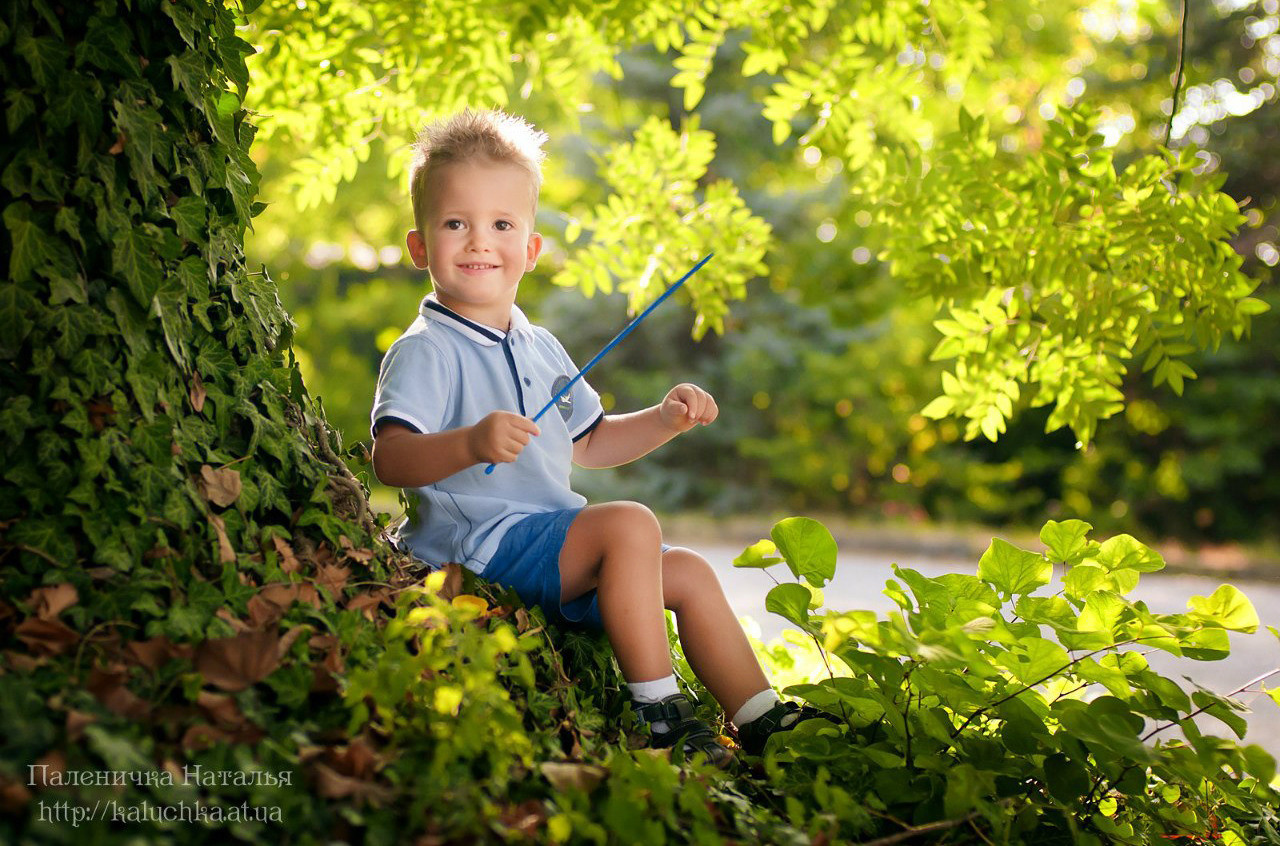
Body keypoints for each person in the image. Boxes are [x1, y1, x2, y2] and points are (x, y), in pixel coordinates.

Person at [370, 108, 827, 765]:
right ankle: (663, 721)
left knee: (691, 574)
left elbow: (591, 443)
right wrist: (469, 443)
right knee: (630, 525)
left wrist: (663, 419)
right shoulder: (426, 350)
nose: (479, 242)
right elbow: (391, 457)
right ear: (420, 247)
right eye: (455, 223)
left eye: (501, 224)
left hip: (548, 540)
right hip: (479, 546)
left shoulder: (540, 346)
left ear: (529, 248)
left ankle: (763, 720)